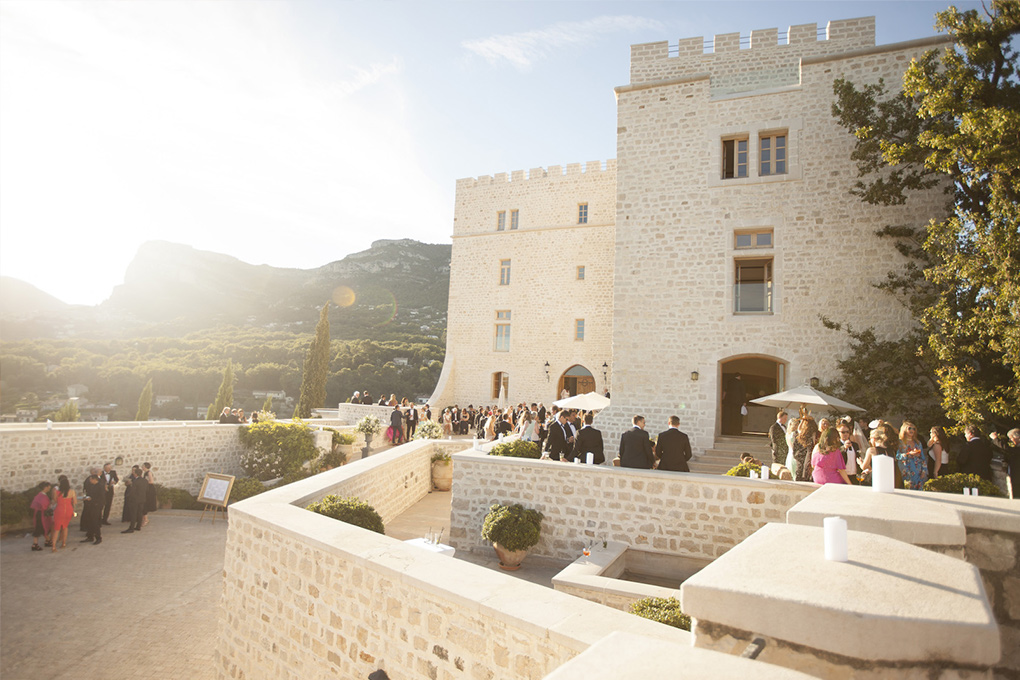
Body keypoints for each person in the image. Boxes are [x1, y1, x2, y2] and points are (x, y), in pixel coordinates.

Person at [990, 428, 1020, 499]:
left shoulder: (1016, 449)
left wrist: (996, 439)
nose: (1010, 440)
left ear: (1017, 437)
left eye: (1011, 438)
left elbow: (1007, 449)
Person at [50, 475, 75, 552]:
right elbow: (75, 502)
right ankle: (64, 543)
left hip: (59, 510)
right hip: (68, 510)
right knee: (65, 527)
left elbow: (55, 500)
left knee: (56, 528)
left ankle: (53, 546)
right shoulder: (72, 492)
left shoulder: (56, 492)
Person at [80, 467, 104, 545]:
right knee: (90, 521)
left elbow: (101, 497)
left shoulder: (100, 486)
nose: (90, 481)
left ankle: (98, 537)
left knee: (95, 522)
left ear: (94, 479)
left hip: (96, 506)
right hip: (90, 506)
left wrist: (92, 499)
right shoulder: (91, 486)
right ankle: (90, 536)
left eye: (91, 479)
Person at [792, 416, 819, 482]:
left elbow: (795, 448)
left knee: (800, 474)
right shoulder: (815, 434)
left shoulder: (798, 434)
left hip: (800, 457)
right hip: (809, 457)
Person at [122, 467, 148, 533]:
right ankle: (138, 526)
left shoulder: (135, 482)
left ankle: (131, 528)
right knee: (140, 513)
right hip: (142, 499)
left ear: (136, 474)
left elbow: (132, 491)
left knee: (133, 514)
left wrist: (129, 497)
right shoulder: (145, 480)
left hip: (134, 500)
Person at [30, 481, 53, 551]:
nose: (49, 488)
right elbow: (44, 506)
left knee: (44, 528)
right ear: (45, 487)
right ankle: (35, 544)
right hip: (41, 514)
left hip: (41, 513)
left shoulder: (40, 495)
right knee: (39, 528)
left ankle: (47, 541)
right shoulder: (41, 496)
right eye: (48, 487)